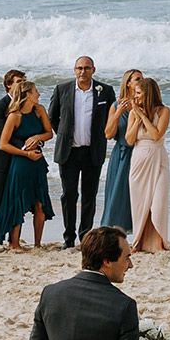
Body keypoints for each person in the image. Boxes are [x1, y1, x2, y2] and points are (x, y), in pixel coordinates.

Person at [48, 58, 115, 240]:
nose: (82, 71)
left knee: (89, 196)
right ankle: (68, 237)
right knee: (69, 195)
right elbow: (52, 117)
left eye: (86, 68)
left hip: (93, 152)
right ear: (74, 70)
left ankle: (85, 235)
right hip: (69, 152)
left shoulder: (105, 91)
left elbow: (112, 118)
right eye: (79, 68)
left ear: (94, 69)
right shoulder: (62, 89)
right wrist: (64, 134)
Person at [0, 77, 55, 250]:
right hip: (21, 163)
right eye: (36, 91)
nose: (39, 94)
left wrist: (38, 137)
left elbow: (50, 133)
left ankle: (37, 244)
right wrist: (26, 153)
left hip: (38, 163)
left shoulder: (39, 110)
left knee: (40, 203)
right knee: (17, 202)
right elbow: (3, 144)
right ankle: (14, 243)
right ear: (27, 94)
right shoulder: (14, 116)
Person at [120, 77, 170, 253]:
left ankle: (158, 242)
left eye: (138, 93)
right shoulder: (134, 113)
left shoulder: (164, 111)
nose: (135, 97)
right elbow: (129, 139)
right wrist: (136, 117)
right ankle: (140, 242)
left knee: (158, 204)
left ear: (148, 94)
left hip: (158, 159)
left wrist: (143, 115)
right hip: (139, 160)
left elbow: (157, 135)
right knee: (140, 204)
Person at [99, 68, 141, 235]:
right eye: (137, 79)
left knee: (136, 196)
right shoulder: (116, 105)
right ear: (128, 83)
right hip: (122, 154)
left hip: (139, 152)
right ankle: (112, 234)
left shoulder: (144, 104)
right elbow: (108, 134)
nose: (140, 81)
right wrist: (118, 114)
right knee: (116, 197)